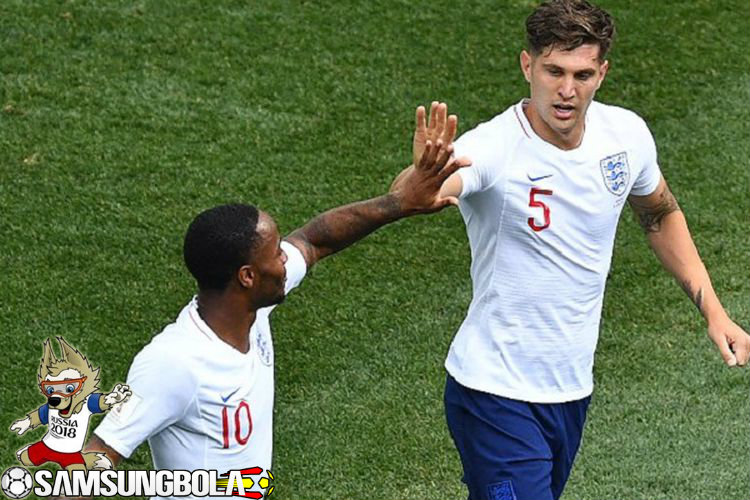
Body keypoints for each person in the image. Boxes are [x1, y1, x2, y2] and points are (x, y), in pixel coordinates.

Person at [402, 1, 750, 499]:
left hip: (569, 392)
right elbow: (420, 193)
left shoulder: (625, 136)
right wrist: (419, 179)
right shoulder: (495, 147)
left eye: (582, 75)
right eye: (554, 71)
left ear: (601, 73)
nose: (567, 90)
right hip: (493, 393)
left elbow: (659, 213)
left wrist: (714, 312)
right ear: (527, 66)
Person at [78, 115, 469, 497]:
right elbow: (95, 460)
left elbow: (314, 241)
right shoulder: (174, 363)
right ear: (247, 276)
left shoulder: (253, 311)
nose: (285, 258)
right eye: (275, 254)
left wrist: (399, 203)